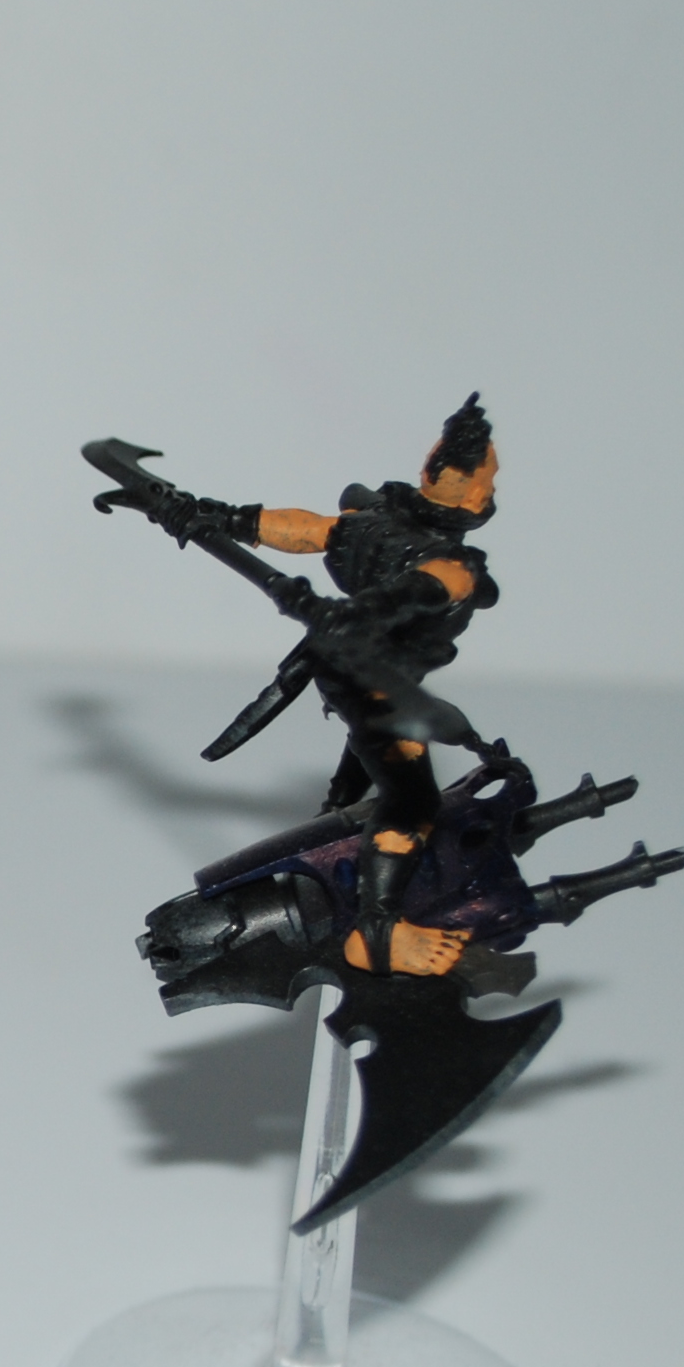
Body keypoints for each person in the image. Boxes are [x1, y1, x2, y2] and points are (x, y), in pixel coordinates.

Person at [141, 395, 504, 978]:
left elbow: (307, 531)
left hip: (351, 670)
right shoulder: (454, 567)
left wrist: (213, 517)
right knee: (413, 803)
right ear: (469, 493)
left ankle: (336, 819)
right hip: (373, 685)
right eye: (486, 481)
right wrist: (203, 515)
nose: (488, 492)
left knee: (370, 755)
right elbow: (411, 590)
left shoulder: (372, 523)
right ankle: (378, 931)